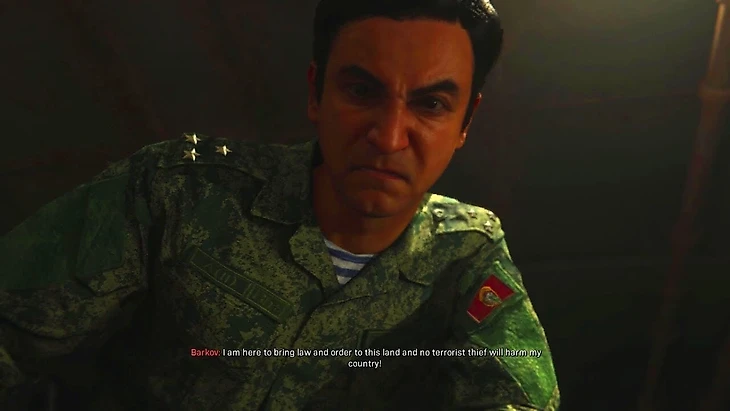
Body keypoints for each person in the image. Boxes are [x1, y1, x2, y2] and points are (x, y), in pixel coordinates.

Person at [0, 0, 560, 409]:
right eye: (362, 92)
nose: (389, 137)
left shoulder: (465, 255)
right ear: (316, 92)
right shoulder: (178, 192)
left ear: (466, 122)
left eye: (431, 104)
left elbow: (514, 395)